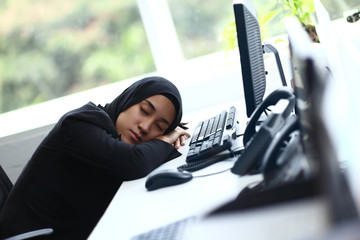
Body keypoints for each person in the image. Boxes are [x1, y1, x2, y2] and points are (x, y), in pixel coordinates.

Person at [0, 76, 190, 239]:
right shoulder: (79, 124)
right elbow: (135, 162)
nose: (146, 127)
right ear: (129, 99)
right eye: (145, 110)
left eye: (160, 126)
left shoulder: (117, 140)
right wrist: (165, 139)